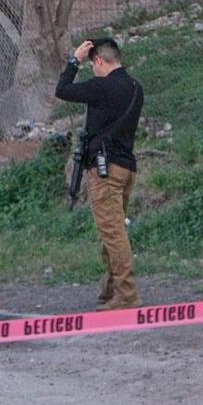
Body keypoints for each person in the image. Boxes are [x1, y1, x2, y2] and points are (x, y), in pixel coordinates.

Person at [55, 38, 144, 309]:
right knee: (113, 231)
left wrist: (74, 60)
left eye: (93, 65)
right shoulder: (135, 87)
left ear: (99, 61)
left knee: (113, 233)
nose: (93, 70)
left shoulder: (101, 86)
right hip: (126, 167)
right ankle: (110, 291)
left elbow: (62, 90)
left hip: (105, 171)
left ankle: (126, 295)